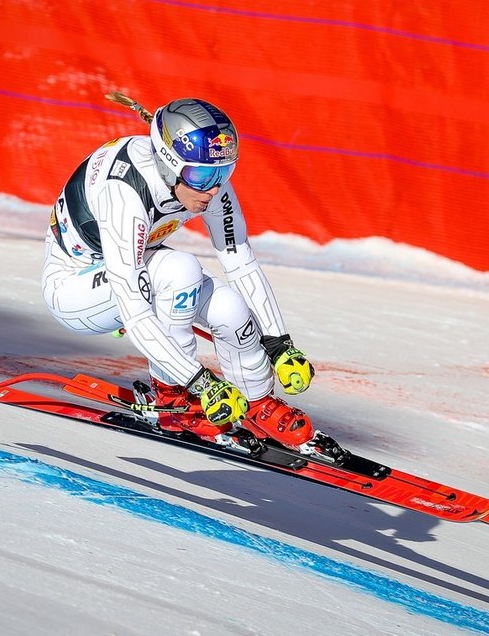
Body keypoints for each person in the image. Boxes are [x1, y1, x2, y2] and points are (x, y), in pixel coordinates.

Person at [41, 95, 316, 450]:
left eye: (224, 171)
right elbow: (136, 314)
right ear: (168, 165)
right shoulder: (124, 193)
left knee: (229, 308)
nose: (213, 188)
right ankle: (173, 399)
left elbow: (239, 261)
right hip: (74, 286)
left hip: (140, 265)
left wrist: (280, 344)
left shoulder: (202, 180)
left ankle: (258, 404)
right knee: (180, 269)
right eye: (202, 175)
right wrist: (200, 383)